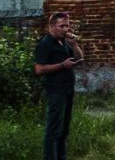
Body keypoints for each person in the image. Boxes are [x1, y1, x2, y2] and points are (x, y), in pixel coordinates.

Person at [33, 11, 84, 160]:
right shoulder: (45, 44)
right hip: (55, 91)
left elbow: (80, 59)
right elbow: (39, 69)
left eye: (67, 26)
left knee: (64, 130)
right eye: (62, 26)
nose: (66, 29)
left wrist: (74, 45)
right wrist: (62, 65)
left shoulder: (65, 42)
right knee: (53, 129)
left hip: (68, 90)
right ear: (52, 26)